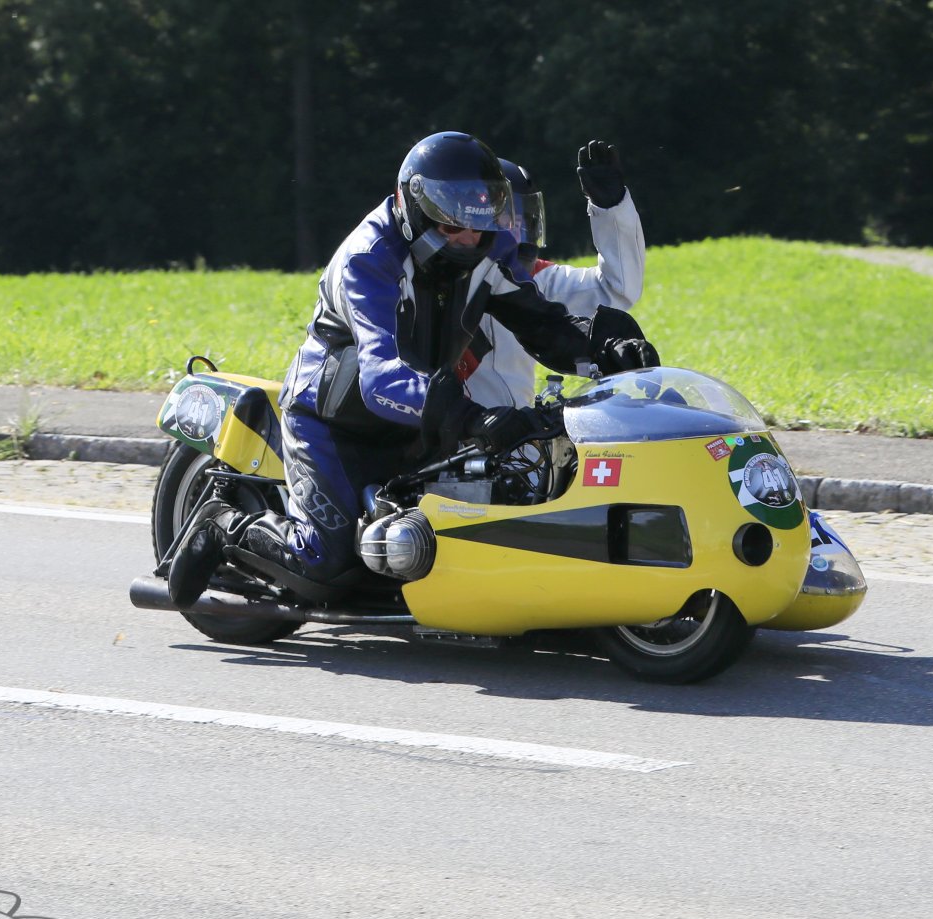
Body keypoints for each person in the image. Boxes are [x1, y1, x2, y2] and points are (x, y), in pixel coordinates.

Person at [166, 131, 658, 604]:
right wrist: (473, 418)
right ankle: (222, 525)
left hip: (421, 421)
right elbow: (380, 377)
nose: (468, 237)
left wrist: (605, 349)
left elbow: (542, 324)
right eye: (453, 222)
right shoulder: (368, 260)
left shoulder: (488, 249)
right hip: (334, 422)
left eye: (479, 220)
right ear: (414, 207)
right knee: (327, 565)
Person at [459, 141, 646, 409]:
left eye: (520, 223)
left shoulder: (537, 278)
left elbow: (618, 288)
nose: (514, 235)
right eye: (504, 223)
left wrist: (611, 210)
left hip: (519, 431)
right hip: (446, 430)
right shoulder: (435, 283)